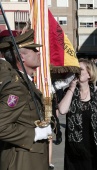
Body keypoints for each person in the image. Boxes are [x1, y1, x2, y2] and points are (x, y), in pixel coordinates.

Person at [0, 29, 52, 170]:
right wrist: (34, 134)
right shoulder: (17, 87)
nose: (38, 53)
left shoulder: (26, 82)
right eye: (34, 50)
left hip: (32, 159)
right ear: (21, 57)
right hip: (22, 162)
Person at [58, 58, 97, 170]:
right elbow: (62, 110)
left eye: (80, 69)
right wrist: (71, 88)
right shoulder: (69, 92)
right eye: (75, 70)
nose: (77, 72)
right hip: (75, 150)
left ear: (89, 74)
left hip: (96, 147)